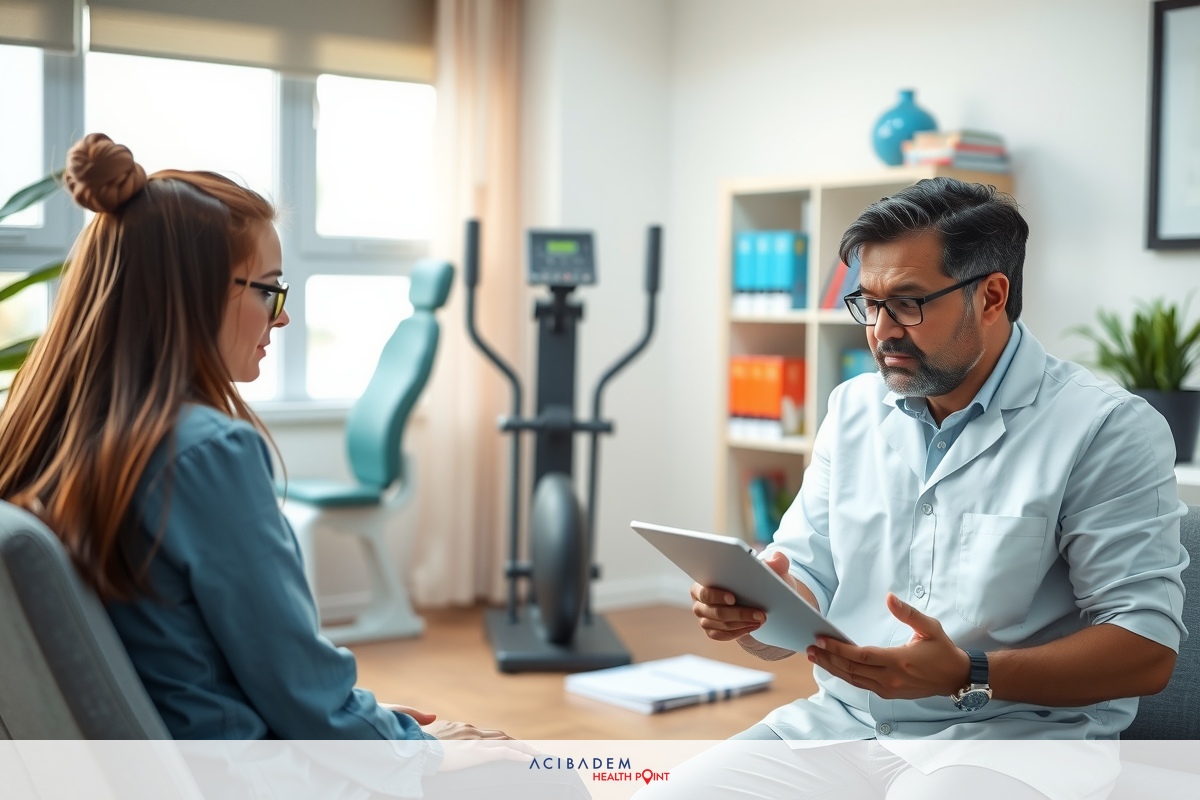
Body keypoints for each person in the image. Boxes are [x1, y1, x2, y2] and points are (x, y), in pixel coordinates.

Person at [0, 134, 586, 798]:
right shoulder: (205, 452)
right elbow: (294, 680)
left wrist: (378, 725)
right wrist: (412, 749)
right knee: (540, 778)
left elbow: (228, 666)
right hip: (246, 778)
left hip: (189, 760)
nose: (280, 319)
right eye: (269, 291)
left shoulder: (48, 438)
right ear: (194, 293)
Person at [651, 178, 1189, 800]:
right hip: (843, 727)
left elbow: (1147, 649)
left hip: (1016, 742)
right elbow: (804, 577)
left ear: (991, 297)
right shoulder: (852, 409)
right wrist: (754, 613)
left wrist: (967, 672)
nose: (881, 331)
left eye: (908, 303)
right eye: (868, 303)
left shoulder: (1105, 428)